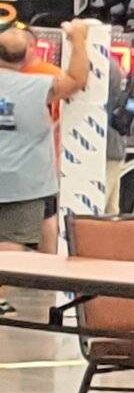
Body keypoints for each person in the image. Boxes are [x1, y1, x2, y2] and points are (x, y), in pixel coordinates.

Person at [0, 14, 91, 252]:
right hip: (22, 188)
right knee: (10, 255)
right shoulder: (40, 85)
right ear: (29, 53)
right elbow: (78, 79)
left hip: (24, 188)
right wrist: (78, 39)